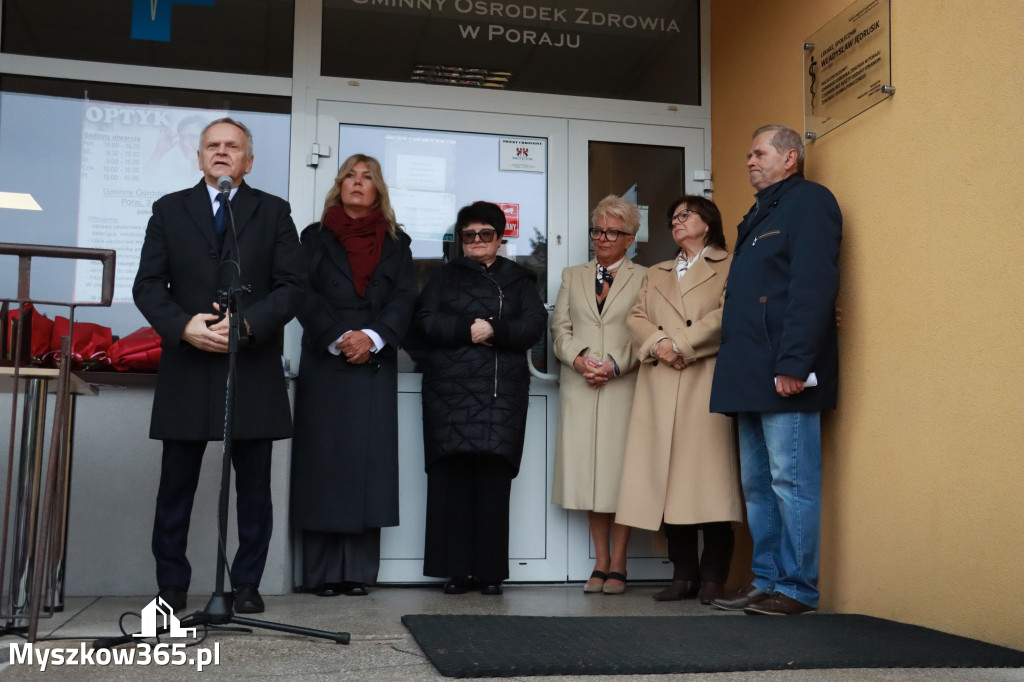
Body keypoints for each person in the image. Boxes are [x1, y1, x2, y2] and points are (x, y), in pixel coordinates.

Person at [133, 118, 304, 614]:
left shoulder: (273, 212)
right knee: (176, 485)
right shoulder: (168, 210)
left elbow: (292, 286)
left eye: (233, 147)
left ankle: (246, 584)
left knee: (253, 487)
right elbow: (147, 285)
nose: (222, 153)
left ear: (248, 160)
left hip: (248, 366)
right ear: (200, 156)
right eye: (213, 145)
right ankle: (171, 587)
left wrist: (247, 326)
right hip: (187, 363)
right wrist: (183, 325)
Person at [709, 124, 841, 616]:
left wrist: (794, 363)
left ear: (790, 158)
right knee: (758, 486)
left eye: (758, 152)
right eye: (747, 154)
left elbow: (812, 285)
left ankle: (798, 588)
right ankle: (766, 580)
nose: (749, 161)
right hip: (747, 372)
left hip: (783, 372)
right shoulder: (762, 212)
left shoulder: (810, 201)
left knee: (792, 482)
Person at [289, 154, 416, 597]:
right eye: (349, 176)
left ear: (378, 188)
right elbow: (300, 292)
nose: (357, 183)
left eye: (367, 178)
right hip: (327, 359)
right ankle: (321, 574)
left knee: (368, 468)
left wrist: (373, 337)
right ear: (339, 185)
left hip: (373, 361)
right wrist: (339, 336)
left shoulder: (398, 243)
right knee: (325, 463)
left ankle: (359, 574)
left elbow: (404, 299)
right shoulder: (314, 237)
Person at [615, 195, 742, 605]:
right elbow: (635, 318)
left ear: (708, 222)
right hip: (661, 383)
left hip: (703, 381)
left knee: (710, 484)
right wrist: (659, 345)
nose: (676, 222)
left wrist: (681, 345)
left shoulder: (730, 265)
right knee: (668, 485)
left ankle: (713, 580)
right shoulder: (657, 271)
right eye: (672, 218)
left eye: (685, 215)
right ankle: (683, 576)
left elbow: (727, 316)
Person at [415, 201, 547, 596]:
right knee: (452, 483)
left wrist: (494, 330)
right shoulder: (442, 278)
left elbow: (534, 325)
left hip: (499, 394)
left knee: (492, 483)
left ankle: (489, 573)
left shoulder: (520, 279)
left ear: (500, 238)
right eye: (469, 235)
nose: (476, 241)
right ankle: (457, 572)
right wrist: (463, 328)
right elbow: (423, 322)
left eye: (485, 234)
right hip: (449, 393)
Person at [550, 195, 646, 595]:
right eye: (598, 231)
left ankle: (619, 562)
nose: (603, 238)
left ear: (630, 238)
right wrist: (580, 360)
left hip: (624, 384)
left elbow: (648, 329)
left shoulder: (646, 277)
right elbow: (560, 328)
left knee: (619, 473)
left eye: (613, 232)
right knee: (589, 474)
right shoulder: (572, 275)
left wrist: (616, 364)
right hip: (581, 384)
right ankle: (600, 560)